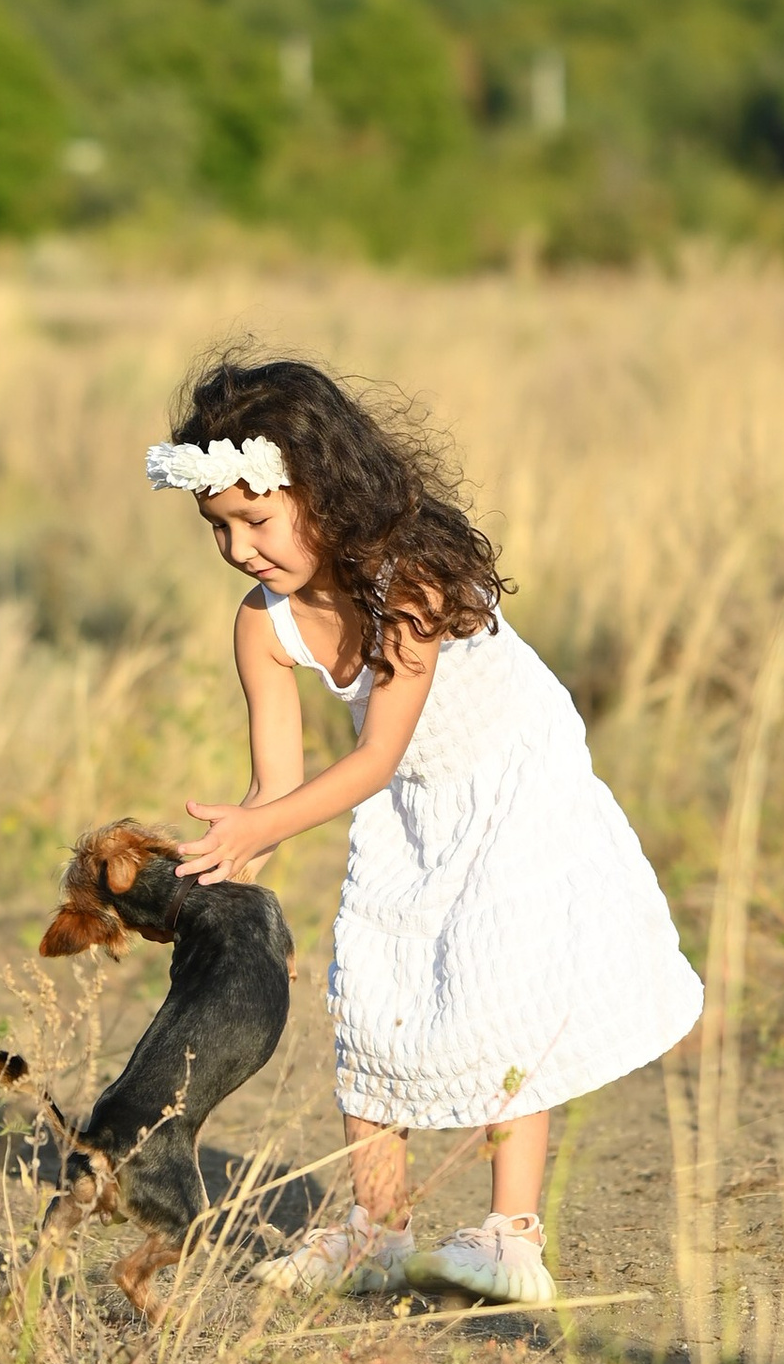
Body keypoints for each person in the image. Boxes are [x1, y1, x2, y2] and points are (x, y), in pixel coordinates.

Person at [148, 351, 704, 1302]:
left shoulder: (409, 584)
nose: (242, 549)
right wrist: (230, 861)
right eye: (219, 528)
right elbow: (277, 782)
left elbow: (373, 756)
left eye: (257, 518)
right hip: (408, 797)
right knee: (371, 983)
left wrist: (260, 827)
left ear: (321, 491)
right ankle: (378, 1231)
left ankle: (509, 1234)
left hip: (508, 780)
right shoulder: (262, 623)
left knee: (499, 985)